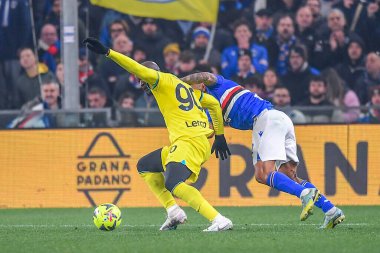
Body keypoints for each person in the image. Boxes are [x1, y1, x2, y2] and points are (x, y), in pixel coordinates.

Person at [84, 37, 233, 232]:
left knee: (174, 183)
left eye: (142, 79)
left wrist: (108, 53)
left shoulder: (160, 79)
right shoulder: (184, 87)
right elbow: (213, 104)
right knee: (145, 166)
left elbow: (136, 67)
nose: (141, 83)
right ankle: (173, 211)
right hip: (190, 141)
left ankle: (218, 219)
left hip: (190, 142)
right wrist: (220, 136)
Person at [181, 71, 345, 229]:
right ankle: (331, 211)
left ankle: (304, 194)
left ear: (201, 86)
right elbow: (208, 130)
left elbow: (204, 75)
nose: (189, 93)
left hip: (265, 119)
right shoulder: (210, 110)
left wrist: (179, 81)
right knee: (290, 176)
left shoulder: (217, 85)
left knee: (263, 174)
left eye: (190, 88)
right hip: (278, 119)